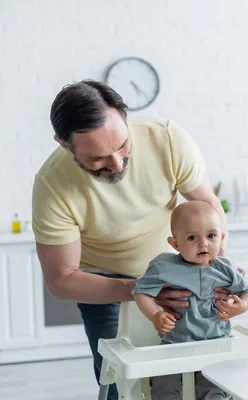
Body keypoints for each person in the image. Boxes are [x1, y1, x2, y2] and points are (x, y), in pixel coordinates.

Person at [32, 80, 235, 400]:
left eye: (123, 146)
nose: (116, 163)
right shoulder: (52, 187)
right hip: (103, 279)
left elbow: (208, 203)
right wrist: (145, 289)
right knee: (119, 380)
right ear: (65, 146)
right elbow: (61, 281)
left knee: (199, 371)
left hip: (177, 268)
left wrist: (216, 266)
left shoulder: (167, 139)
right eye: (98, 159)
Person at [134, 200, 248, 400]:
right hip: (175, 344)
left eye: (211, 236)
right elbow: (141, 292)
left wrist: (242, 306)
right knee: (163, 388)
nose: (203, 243)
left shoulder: (225, 268)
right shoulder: (164, 266)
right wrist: (155, 314)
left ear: (221, 238)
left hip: (217, 344)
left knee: (216, 389)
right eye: (192, 237)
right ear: (175, 244)